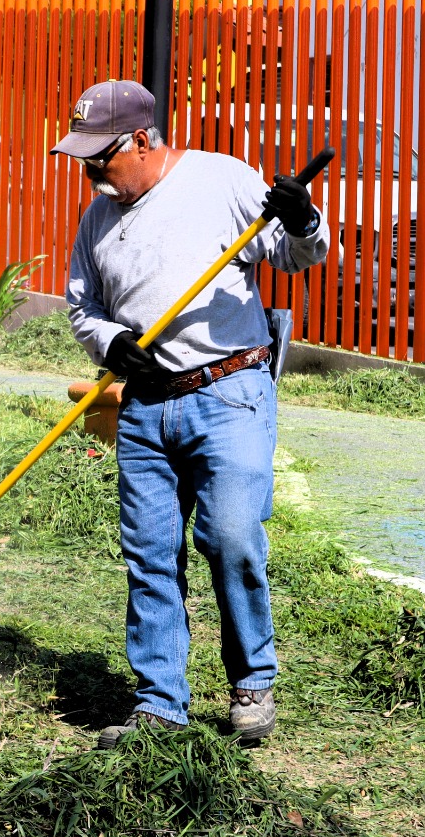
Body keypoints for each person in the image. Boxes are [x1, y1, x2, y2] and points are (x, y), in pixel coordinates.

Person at [54, 79, 328, 747]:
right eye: (84, 159)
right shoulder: (99, 216)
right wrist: (112, 341)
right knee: (149, 556)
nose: (91, 173)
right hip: (146, 407)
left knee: (231, 538)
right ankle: (159, 705)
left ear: (141, 140)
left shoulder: (222, 181)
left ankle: (252, 680)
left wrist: (303, 219)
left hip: (229, 392)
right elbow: (80, 306)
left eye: (100, 157)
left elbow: (300, 259)